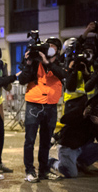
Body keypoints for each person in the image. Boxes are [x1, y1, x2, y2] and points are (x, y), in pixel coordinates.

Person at [18, 37, 66, 182]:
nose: (49, 48)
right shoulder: (35, 62)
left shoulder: (59, 63)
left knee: (46, 141)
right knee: (30, 140)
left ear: (57, 50)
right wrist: (28, 63)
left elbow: (64, 74)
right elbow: (22, 80)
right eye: (47, 46)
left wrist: (47, 63)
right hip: (34, 105)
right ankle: (29, 171)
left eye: (53, 46)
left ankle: (44, 171)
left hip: (50, 106)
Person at [48, 97, 98, 178]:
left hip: (83, 148)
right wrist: (82, 115)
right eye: (97, 109)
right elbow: (63, 120)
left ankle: (80, 163)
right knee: (71, 174)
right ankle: (52, 162)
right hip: (69, 147)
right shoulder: (81, 110)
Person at [64, 38, 97, 115]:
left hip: (87, 100)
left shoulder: (92, 66)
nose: (88, 54)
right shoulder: (72, 64)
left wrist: (86, 73)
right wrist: (72, 70)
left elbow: (90, 84)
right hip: (72, 100)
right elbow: (70, 86)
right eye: (86, 52)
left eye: (90, 52)